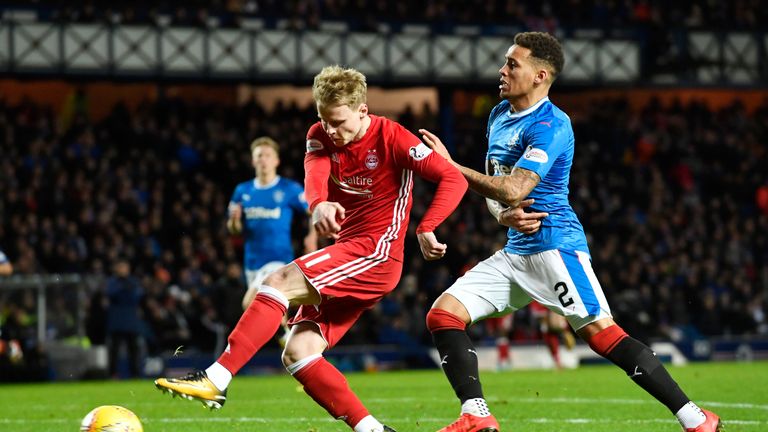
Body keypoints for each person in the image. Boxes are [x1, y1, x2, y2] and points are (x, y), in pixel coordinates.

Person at [419, 32, 721, 432]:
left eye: (513, 64)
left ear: (541, 75)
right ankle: (476, 414)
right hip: (516, 250)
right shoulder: (498, 116)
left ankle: (696, 419)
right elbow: (498, 190)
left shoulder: (553, 124)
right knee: (443, 315)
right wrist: (501, 218)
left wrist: (449, 165)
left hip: (555, 246)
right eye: (505, 62)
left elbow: (515, 188)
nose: (502, 70)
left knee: (601, 334)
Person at [155, 65, 468, 432]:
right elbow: (315, 170)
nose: (332, 131)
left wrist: (427, 226)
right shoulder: (319, 133)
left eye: (339, 121)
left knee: (277, 281)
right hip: (351, 251)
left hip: (376, 252)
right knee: (298, 353)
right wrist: (318, 203)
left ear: (363, 110)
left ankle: (216, 378)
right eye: (325, 120)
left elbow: (453, 177)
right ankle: (373, 430)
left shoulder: (393, 138)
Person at [227, 136, 318, 344]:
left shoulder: (289, 189)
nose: (263, 160)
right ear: (253, 161)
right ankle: (290, 339)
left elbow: (313, 210)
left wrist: (311, 237)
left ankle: (286, 336)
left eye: (268, 155)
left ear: (276, 160)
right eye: (259, 156)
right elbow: (234, 230)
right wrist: (234, 221)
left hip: (278, 260)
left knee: (249, 303)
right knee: (270, 307)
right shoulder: (243, 191)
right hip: (252, 263)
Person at [106, 257, 145, 378]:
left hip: (130, 320)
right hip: (117, 320)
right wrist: (124, 288)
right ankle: (113, 374)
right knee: (114, 350)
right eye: (121, 267)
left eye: (125, 267)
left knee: (133, 349)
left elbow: (137, 296)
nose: (123, 270)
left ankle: (135, 374)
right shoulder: (113, 282)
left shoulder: (133, 281)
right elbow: (111, 293)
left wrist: (125, 289)